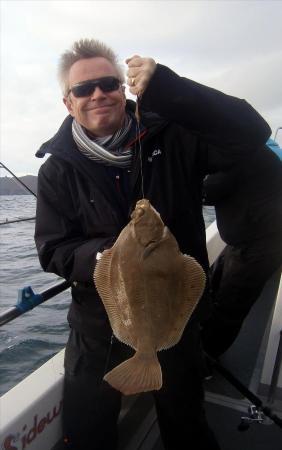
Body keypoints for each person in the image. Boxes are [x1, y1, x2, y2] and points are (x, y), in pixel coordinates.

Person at [34, 38, 271, 450]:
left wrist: (170, 88)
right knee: (88, 433)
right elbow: (52, 249)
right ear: (67, 103)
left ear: (123, 88)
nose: (97, 95)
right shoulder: (57, 170)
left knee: (188, 428)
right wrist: (108, 258)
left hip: (175, 318)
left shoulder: (174, 134)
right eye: (83, 90)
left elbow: (250, 133)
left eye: (108, 83)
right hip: (96, 327)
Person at [201, 142, 282, 359]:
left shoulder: (241, 152)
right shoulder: (244, 147)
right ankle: (202, 345)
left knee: (229, 307)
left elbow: (207, 191)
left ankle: (207, 360)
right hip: (243, 241)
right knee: (212, 286)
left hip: (260, 246)